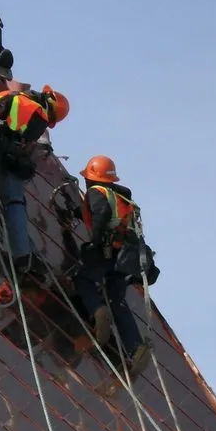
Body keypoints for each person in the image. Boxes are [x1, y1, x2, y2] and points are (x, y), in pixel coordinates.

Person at [0, 85, 70, 279]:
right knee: (14, 203)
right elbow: (23, 145)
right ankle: (23, 255)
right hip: (2, 152)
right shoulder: (38, 115)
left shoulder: (8, 95)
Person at [73, 155, 153, 376]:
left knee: (84, 280)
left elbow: (101, 215)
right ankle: (135, 348)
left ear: (91, 177)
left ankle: (98, 312)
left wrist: (94, 243)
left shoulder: (96, 193)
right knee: (117, 298)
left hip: (108, 252)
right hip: (126, 257)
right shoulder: (122, 198)